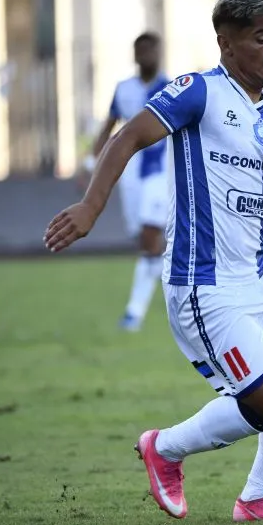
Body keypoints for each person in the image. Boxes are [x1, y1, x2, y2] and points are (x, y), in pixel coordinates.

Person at [45, 0, 263, 522]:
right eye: (262, 38)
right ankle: (163, 449)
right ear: (226, 44)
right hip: (205, 284)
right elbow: (127, 137)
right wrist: (92, 208)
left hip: (262, 276)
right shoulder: (198, 92)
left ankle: (256, 499)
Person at [81, 32, 171, 331]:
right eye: (141, 50)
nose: (146, 55)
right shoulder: (124, 89)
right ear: (134, 54)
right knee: (145, 240)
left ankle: (134, 312)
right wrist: (92, 166)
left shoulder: (171, 89)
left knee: (149, 234)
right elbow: (108, 129)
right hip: (129, 174)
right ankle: (174, 275)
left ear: (159, 53)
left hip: (160, 171)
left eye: (151, 49)